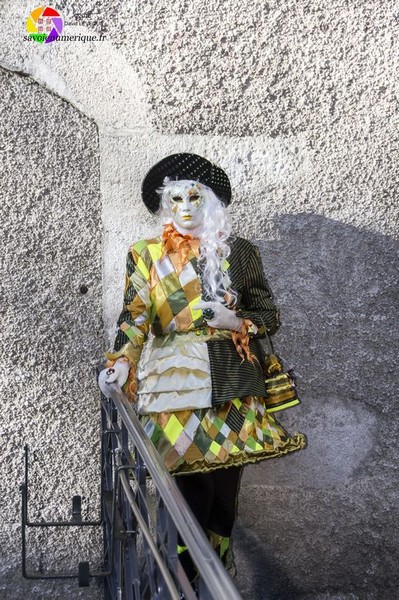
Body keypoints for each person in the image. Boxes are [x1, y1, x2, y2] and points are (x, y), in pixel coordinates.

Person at [99, 153, 306, 580]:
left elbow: (270, 314)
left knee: (224, 495)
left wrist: (238, 321)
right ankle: (184, 576)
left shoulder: (240, 252)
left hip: (234, 383)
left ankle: (218, 569)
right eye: (176, 198)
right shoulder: (145, 254)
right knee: (190, 486)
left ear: (209, 202)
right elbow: (135, 315)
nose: (186, 207)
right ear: (165, 204)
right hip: (175, 384)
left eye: (195, 197)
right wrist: (122, 362)